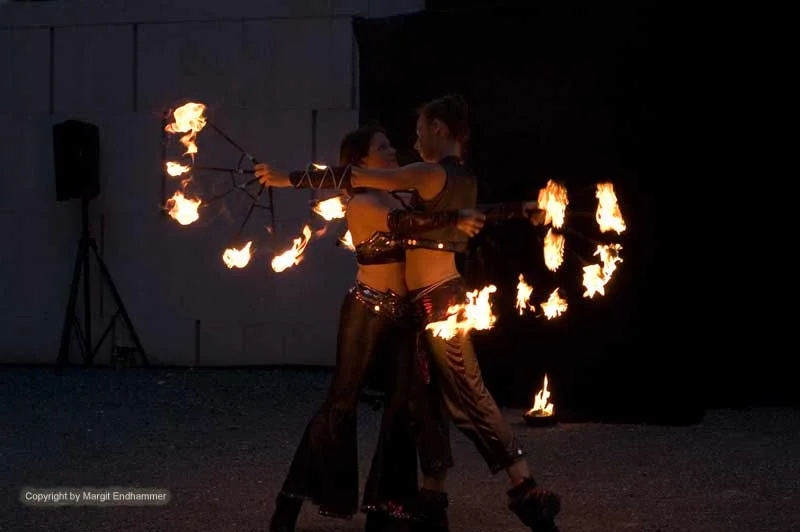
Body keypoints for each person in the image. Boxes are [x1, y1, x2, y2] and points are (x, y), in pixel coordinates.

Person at [343, 95, 562, 532]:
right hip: (426, 302)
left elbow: (358, 175)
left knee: (469, 396)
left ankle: (527, 489)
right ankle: (432, 494)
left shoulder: (429, 171)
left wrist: (286, 179)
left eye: (422, 129)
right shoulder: (465, 176)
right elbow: (466, 215)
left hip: (439, 300)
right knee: (428, 401)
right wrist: (520, 208)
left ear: (440, 129)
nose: (416, 138)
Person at [256, 125, 485, 532]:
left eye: (390, 142)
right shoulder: (361, 202)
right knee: (342, 404)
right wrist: (455, 218)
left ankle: (388, 508)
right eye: (382, 146)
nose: (393, 149)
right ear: (360, 161)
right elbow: (409, 224)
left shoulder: (399, 191)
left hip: (405, 317)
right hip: (366, 313)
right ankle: (289, 500)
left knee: (402, 409)